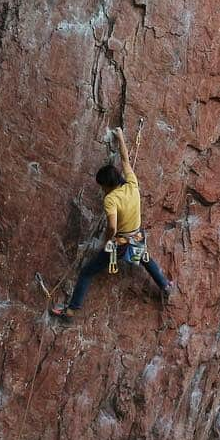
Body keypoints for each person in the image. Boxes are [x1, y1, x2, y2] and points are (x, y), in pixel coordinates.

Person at [51, 127, 172, 321]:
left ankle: (71, 311)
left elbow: (113, 227)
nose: (101, 191)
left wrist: (107, 243)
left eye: (102, 187)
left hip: (121, 244)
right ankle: (165, 286)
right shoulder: (132, 184)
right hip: (138, 236)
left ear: (107, 185)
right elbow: (125, 160)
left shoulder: (111, 200)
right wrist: (121, 136)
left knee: (86, 273)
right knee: (144, 257)